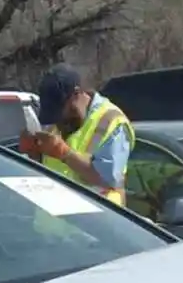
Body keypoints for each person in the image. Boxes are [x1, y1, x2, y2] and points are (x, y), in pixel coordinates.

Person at [17, 64, 135, 206]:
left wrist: (64, 153)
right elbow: (51, 170)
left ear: (76, 94)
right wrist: (33, 153)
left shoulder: (112, 121)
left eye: (61, 110)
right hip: (51, 223)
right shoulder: (55, 120)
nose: (59, 118)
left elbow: (107, 179)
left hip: (96, 223)